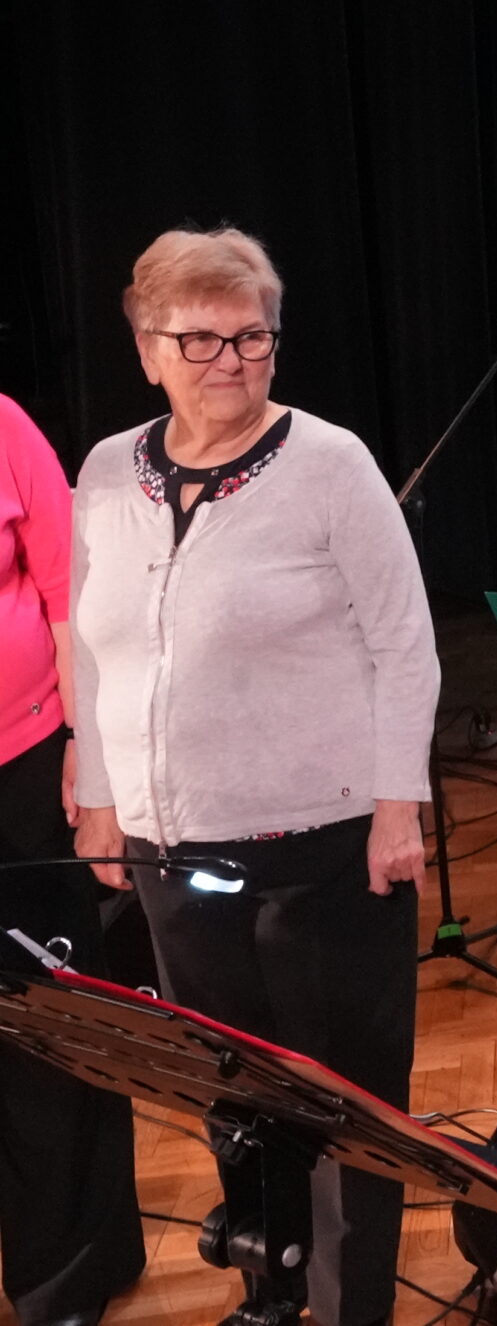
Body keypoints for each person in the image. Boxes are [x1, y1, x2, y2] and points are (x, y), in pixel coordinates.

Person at [68, 227, 436, 1326]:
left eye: (252, 337)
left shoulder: (330, 463)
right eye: (200, 339)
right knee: (231, 1097)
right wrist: (101, 796)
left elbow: (405, 644)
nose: (229, 360)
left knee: (343, 1105)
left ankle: (351, 1309)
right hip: (173, 853)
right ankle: (270, 1295)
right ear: (148, 350)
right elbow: (89, 646)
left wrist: (399, 807)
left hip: (323, 849)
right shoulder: (106, 470)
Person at [0, 390, 144, 1326]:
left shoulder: (3, 425)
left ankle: (69, 1274)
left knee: (49, 1023)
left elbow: (71, 595)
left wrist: (88, 755)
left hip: (22, 764)